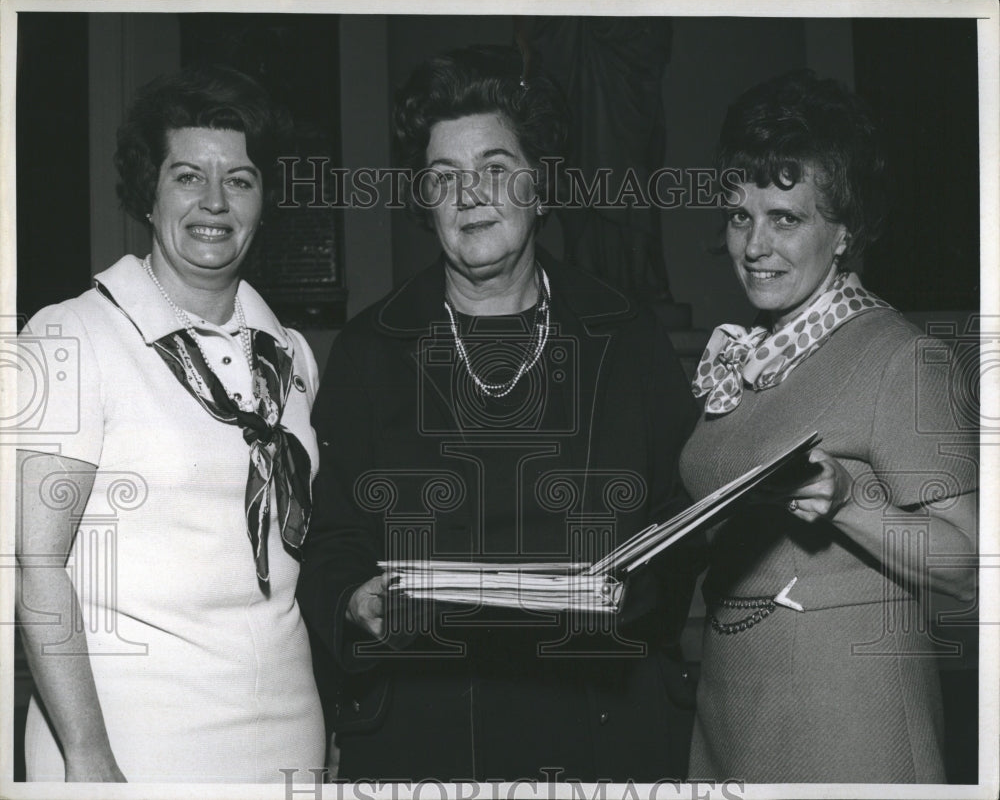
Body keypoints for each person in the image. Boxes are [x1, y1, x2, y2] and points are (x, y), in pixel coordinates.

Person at [297, 45, 701, 782]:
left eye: (493, 167)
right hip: (424, 732)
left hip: (602, 726)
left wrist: (634, 590)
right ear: (426, 202)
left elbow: (681, 520)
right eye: (443, 176)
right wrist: (354, 597)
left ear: (540, 188)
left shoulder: (625, 336)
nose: (470, 194)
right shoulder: (370, 351)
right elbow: (330, 541)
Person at [14, 64, 325, 782]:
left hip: (287, 734)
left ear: (263, 200)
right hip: (132, 739)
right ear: (147, 193)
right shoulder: (72, 337)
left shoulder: (292, 356)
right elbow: (37, 567)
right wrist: (87, 755)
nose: (214, 201)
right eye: (188, 176)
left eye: (240, 180)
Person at [680, 69, 977, 783]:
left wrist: (850, 503)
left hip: (847, 723)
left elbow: (969, 566)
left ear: (843, 233)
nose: (755, 245)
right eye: (739, 215)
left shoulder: (902, 358)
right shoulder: (746, 359)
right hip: (731, 712)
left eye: (786, 218)